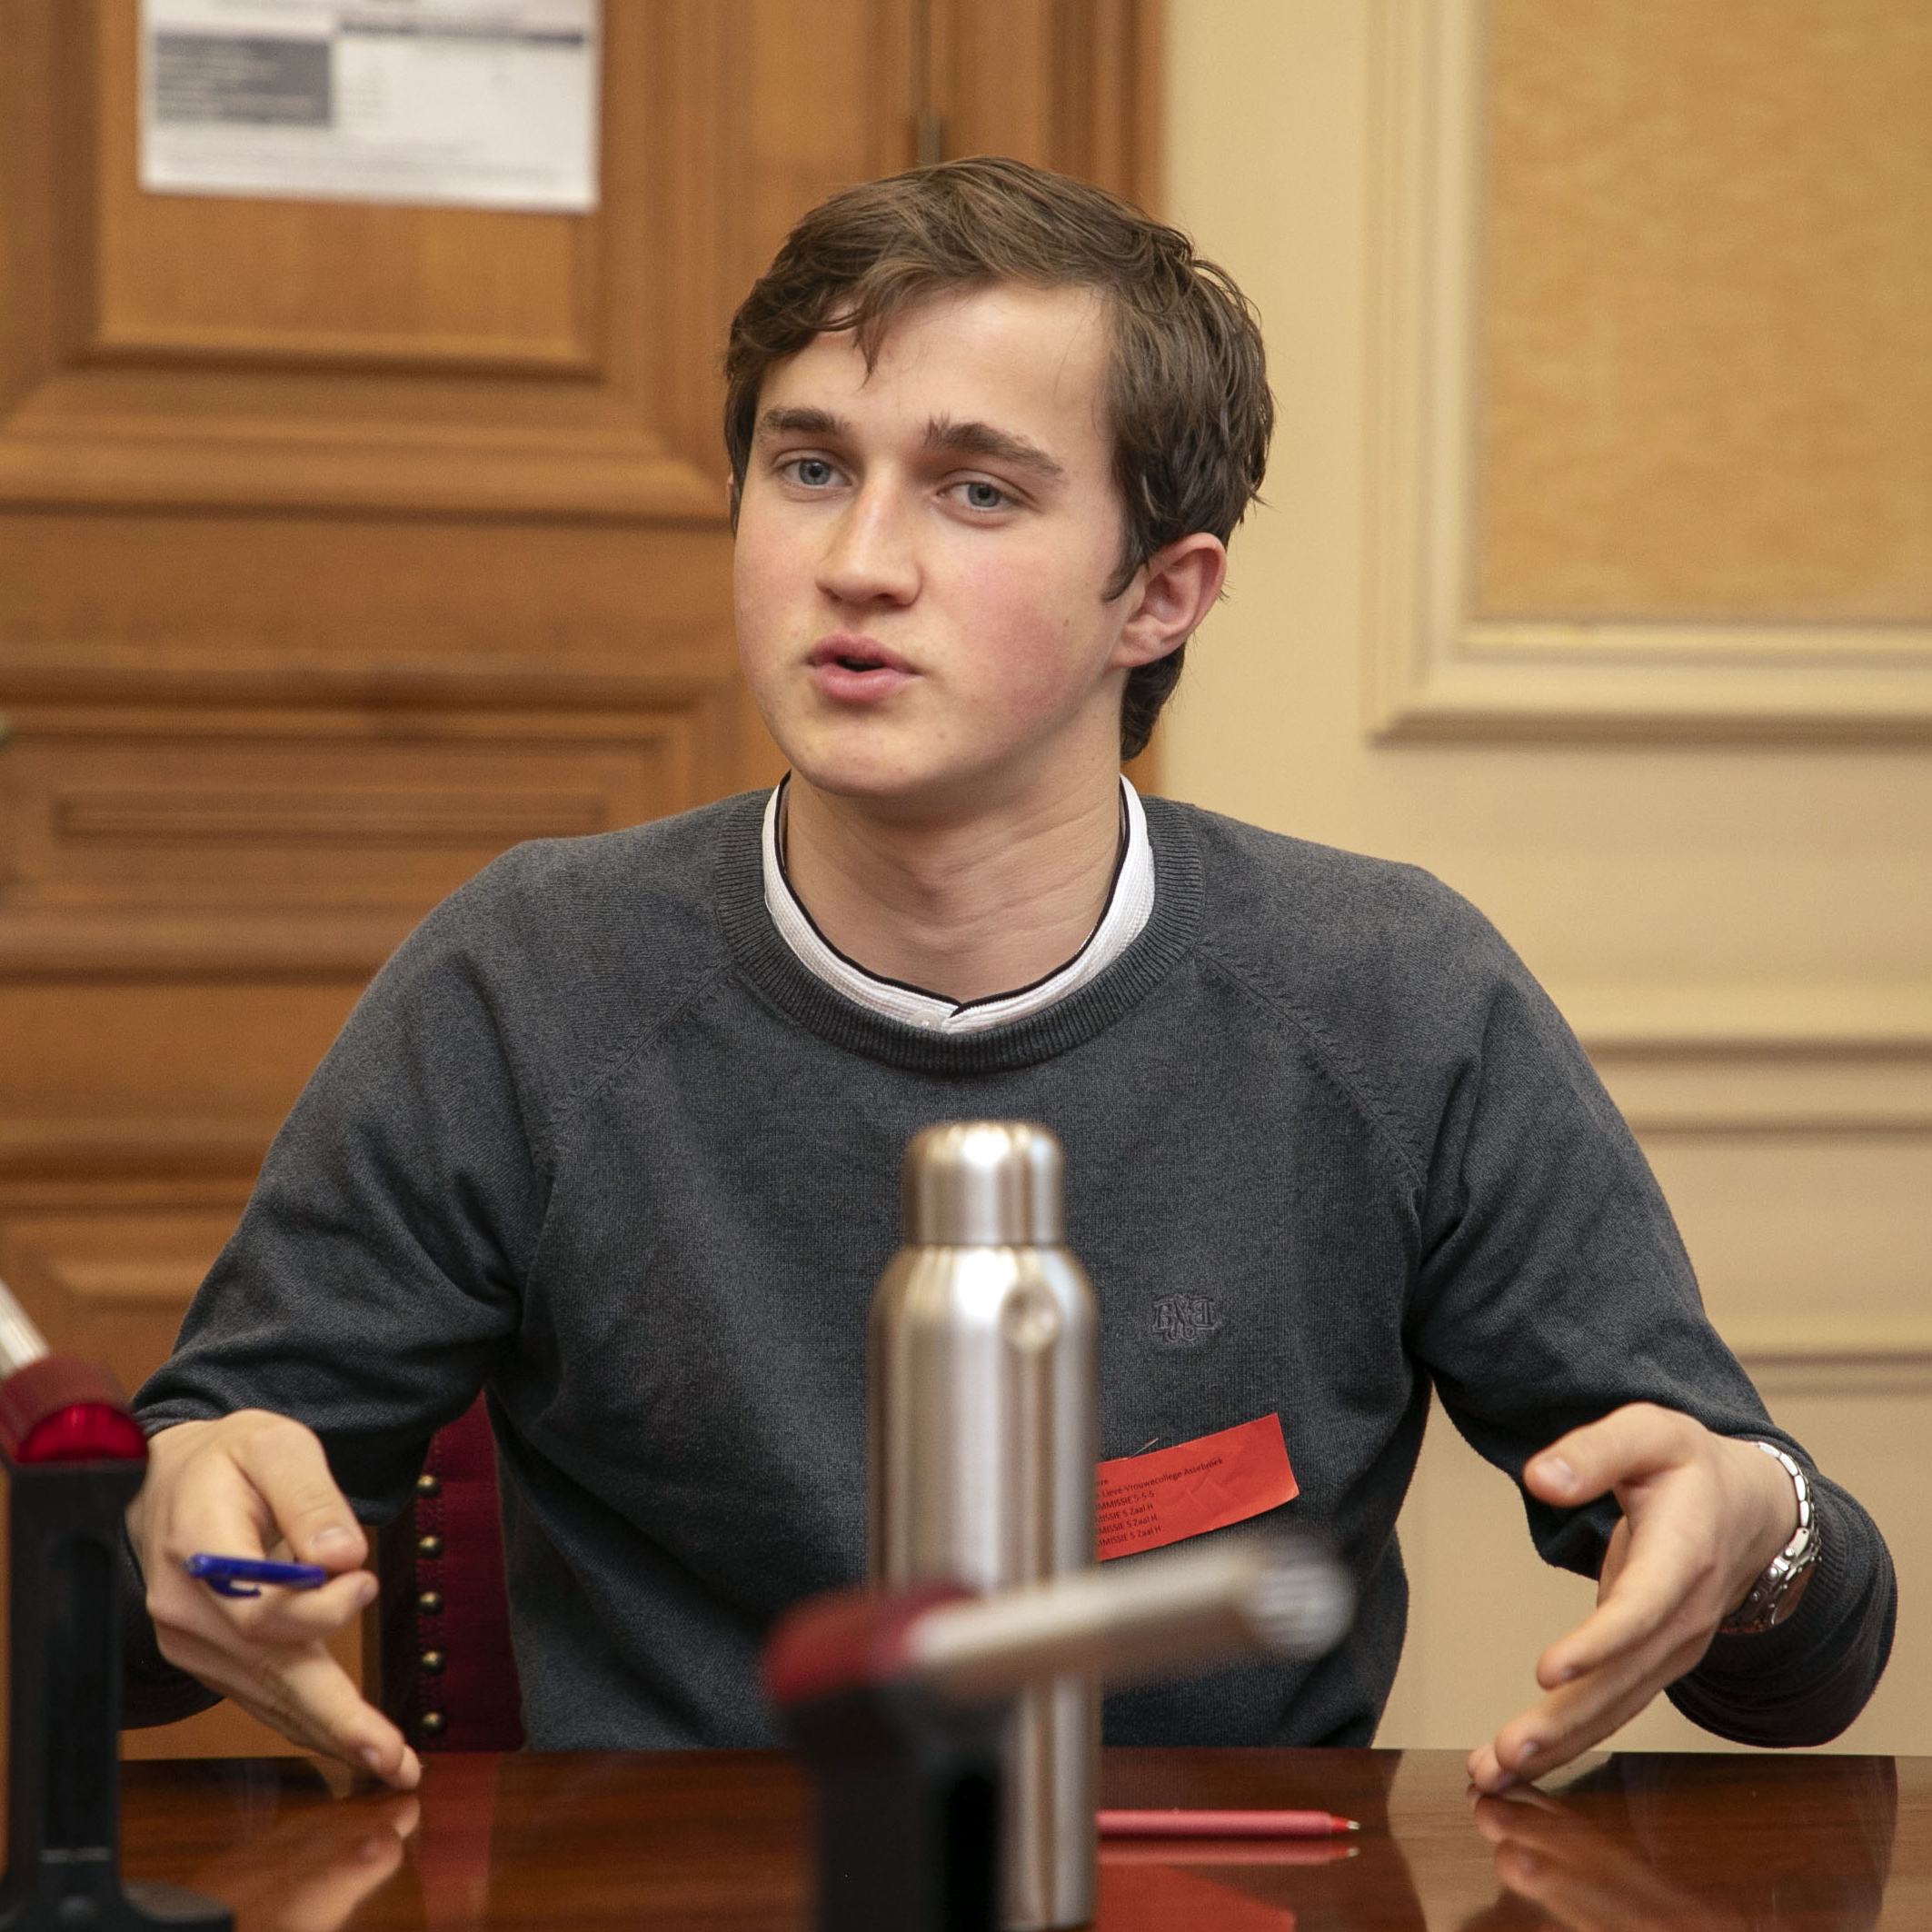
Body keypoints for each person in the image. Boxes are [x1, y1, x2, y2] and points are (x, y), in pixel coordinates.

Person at [123, 157, 1895, 1798]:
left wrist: (1759, 1529)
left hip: (1225, 1889)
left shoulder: (1389, 993)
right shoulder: (525, 978)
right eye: (809, 466)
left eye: (976, 490)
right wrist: (171, 1524)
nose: (857, 561)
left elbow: (1797, 1655)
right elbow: (161, 1585)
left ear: (1162, 594)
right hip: (683, 1884)